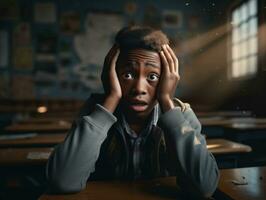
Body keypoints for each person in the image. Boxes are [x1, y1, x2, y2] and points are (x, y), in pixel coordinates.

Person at [46, 26, 219, 198]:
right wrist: (111, 97)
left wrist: (166, 99)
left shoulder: (180, 113)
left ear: (168, 79)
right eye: (128, 75)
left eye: (152, 77)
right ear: (112, 75)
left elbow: (204, 187)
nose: (139, 89)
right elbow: (63, 181)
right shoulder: (95, 111)